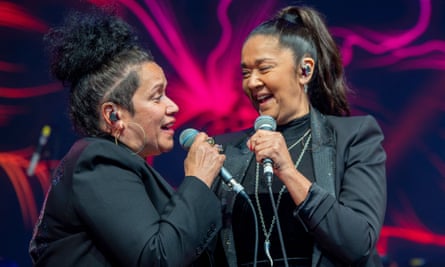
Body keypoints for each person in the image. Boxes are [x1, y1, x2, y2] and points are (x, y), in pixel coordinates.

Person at [29, 8, 225, 267]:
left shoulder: (122, 164)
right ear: (113, 115)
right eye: (157, 96)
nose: (173, 106)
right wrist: (198, 179)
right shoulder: (97, 160)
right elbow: (157, 258)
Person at [212, 5, 387, 267]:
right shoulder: (226, 151)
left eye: (264, 68)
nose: (252, 82)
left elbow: (359, 243)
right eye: (246, 73)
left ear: (305, 70)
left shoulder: (353, 138)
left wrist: (288, 171)